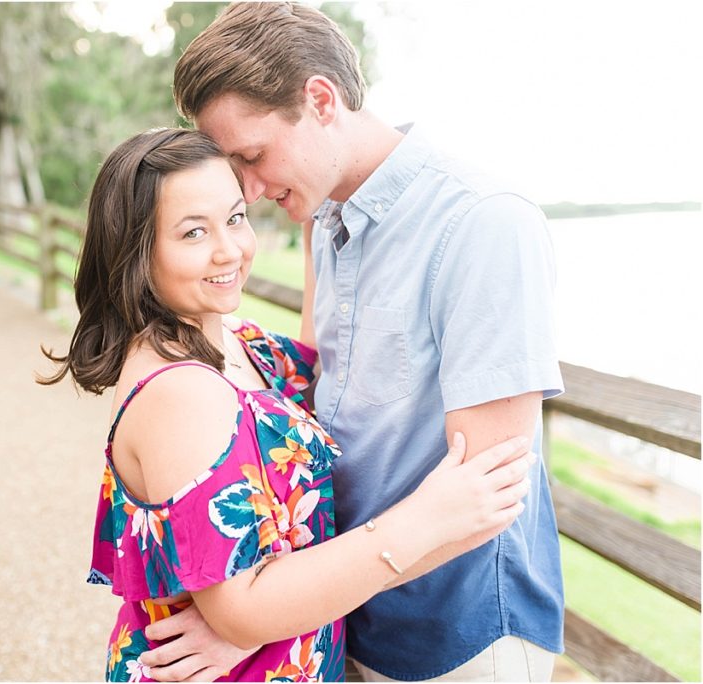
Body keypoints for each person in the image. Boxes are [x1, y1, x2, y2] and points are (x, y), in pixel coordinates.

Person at [135, 3, 566, 682]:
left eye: (251, 156)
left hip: (457, 638)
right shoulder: (325, 221)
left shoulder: (483, 225)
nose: (246, 188)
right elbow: (317, 418)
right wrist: (269, 611)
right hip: (352, 615)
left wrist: (264, 617)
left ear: (321, 99)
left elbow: (486, 497)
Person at [40, 127, 536, 682]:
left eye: (234, 218)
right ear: (137, 250)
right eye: (193, 232)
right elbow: (242, 609)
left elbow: (315, 363)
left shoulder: (230, 341)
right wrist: (426, 518)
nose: (230, 250)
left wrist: (316, 230)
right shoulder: (179, 393)